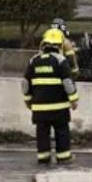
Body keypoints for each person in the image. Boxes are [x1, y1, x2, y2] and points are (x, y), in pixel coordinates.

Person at [22, 28, 78, 166]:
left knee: (42, 134)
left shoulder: (33, 60)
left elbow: (25, 83)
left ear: (43, 44)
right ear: (59, 45)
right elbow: (67, 82)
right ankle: (64, 157)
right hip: (59, 108)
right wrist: (74, 99)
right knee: (62, 132)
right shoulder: (60, 60)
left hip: (39, 108)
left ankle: (43, 158)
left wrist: (28, 101)